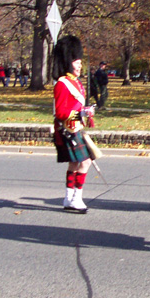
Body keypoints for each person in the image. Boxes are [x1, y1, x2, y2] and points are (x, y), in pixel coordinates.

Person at [53, 36, 95, 213]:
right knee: (85, 162)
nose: (79, 66)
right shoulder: (63, 84)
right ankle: (75, 197)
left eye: (79, 63)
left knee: (75, 164)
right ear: (68, 63)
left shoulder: (75, 83)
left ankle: (69, 198)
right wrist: (82, 113)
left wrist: (85, 110)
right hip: (68, 129)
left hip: (76, 127)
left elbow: (74, 106)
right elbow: (61, 112)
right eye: (76, 63)